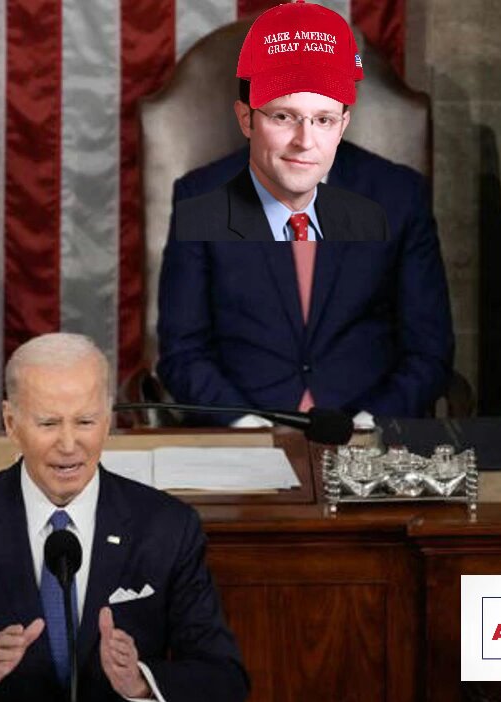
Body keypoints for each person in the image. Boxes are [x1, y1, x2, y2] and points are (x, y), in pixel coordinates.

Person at [0, 333, 248, 702]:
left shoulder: (166, 527)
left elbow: (225, 678)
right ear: (11, 423)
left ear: (108, 420)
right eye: (48, 423)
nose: (69, 444)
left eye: (85, 421)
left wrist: (141, 681)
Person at [157, 0, 454, 423]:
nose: (304, 141)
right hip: (244, 437)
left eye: (323, 120)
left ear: (344, 121)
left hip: (367, 434)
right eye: (284, 117)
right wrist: (244, 424)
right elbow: (183, 353)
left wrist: (371, 420)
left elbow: (429, 352)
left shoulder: (398, 196)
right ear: (247, 118)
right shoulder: (199, 197)